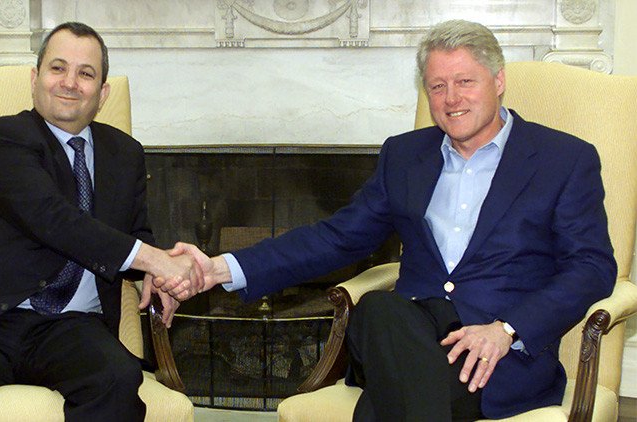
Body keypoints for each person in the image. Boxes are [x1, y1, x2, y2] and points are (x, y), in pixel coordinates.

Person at [160, 20, 616, 420]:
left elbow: (592, 266)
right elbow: (337, 238)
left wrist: (507, 330)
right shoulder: (404, 155)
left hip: (495, 359)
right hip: (405, 332)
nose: (451, 99)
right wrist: (218, 268)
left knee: (386, 399)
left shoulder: (563, 159)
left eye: (465, 82)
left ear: (498, 81)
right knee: (379, 309)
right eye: (437, 86)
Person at [0, 22, 200, 421]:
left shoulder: (125, 153)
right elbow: (55, 220)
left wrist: (155, 276)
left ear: (102, 94)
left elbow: (135, 233)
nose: (70, 82)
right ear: (35, 79)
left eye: (86, 73)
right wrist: (154, 259)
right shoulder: (4, 137)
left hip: (74, 327)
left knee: (117, 381)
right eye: (58, 68)